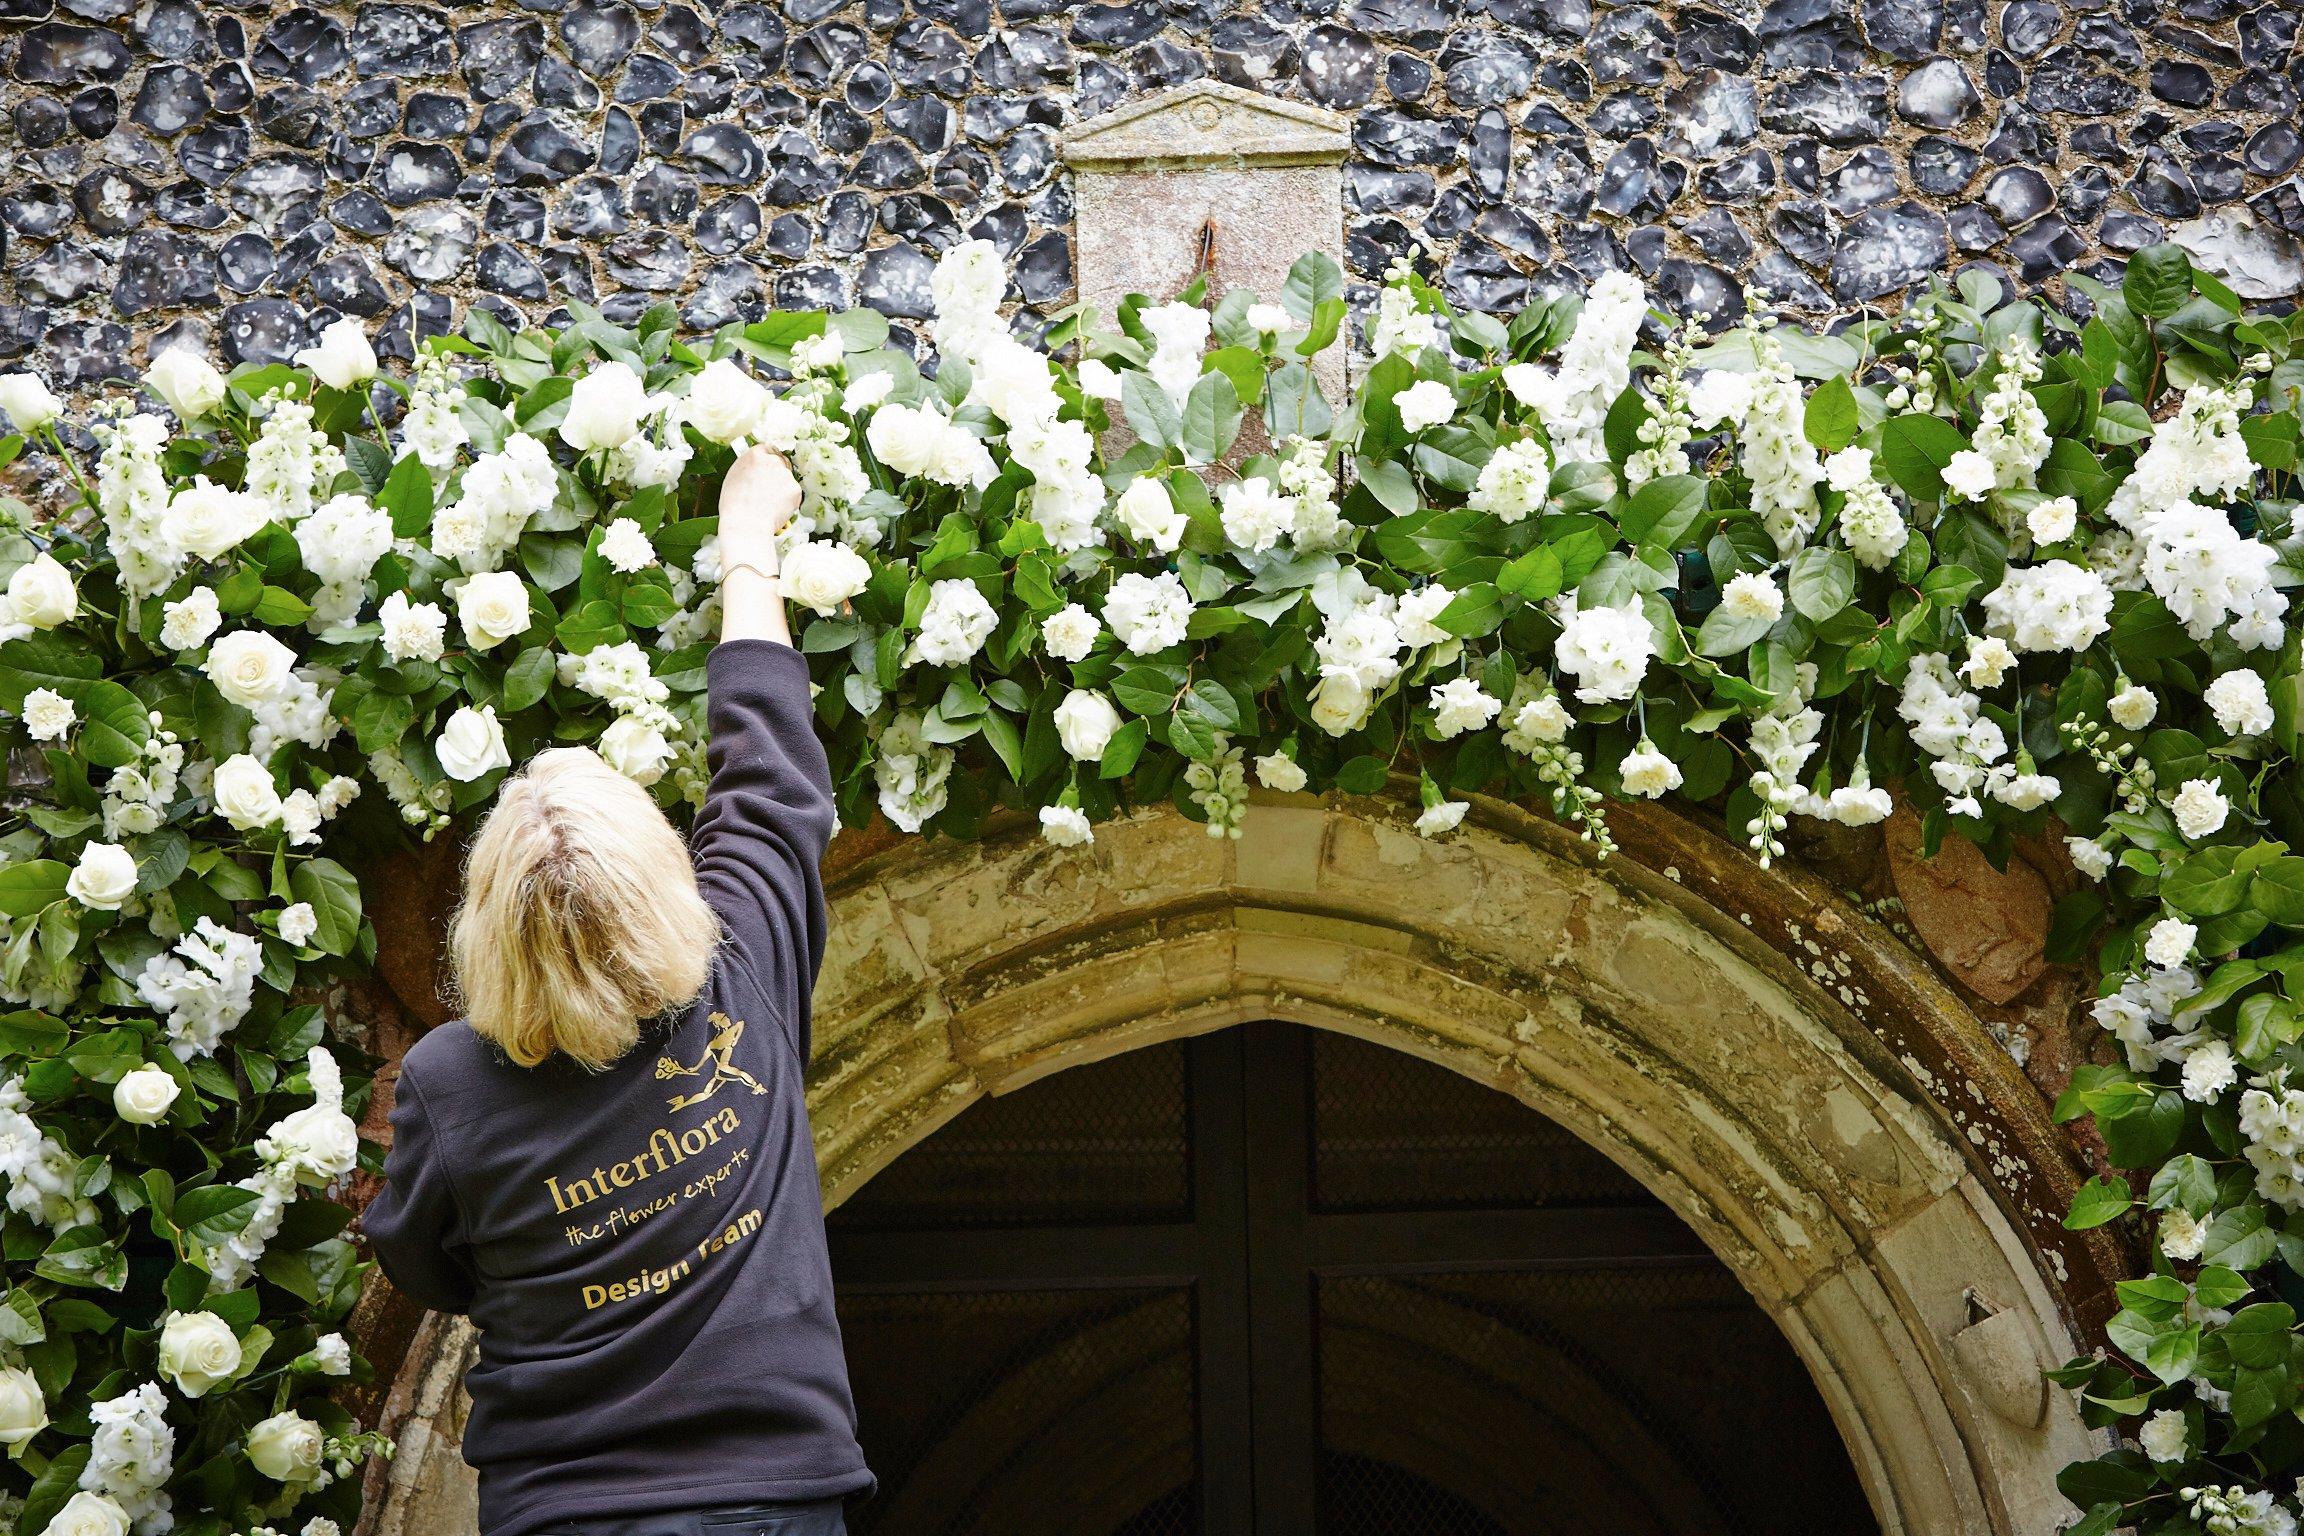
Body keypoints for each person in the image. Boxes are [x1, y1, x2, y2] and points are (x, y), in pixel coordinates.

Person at [365, 447, 871, 1536]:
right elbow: (771, 757)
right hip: (773, 1506)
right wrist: (747, 538)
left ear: (483, 918)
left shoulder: (451, 1084)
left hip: (569, 1512)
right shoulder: (746, 965)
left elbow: (421, 1259)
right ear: (662, 868)